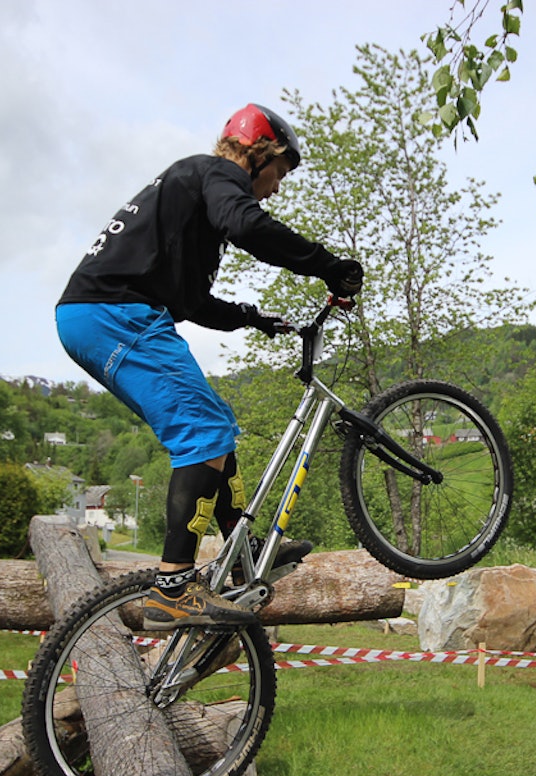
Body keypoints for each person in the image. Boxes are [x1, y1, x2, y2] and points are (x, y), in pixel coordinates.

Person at [56, 103, 362, 627]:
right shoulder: (215, 172)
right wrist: (327, 265)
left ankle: (242, 553)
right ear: (257, 152)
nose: (276, 187)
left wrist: (253, 318)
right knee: (201, 432)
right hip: (114, 314)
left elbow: (192, 302)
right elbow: (246, 224)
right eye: (279, 172)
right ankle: (173, 588)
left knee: (217, 425)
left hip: (102, 314)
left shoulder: (192, 195)